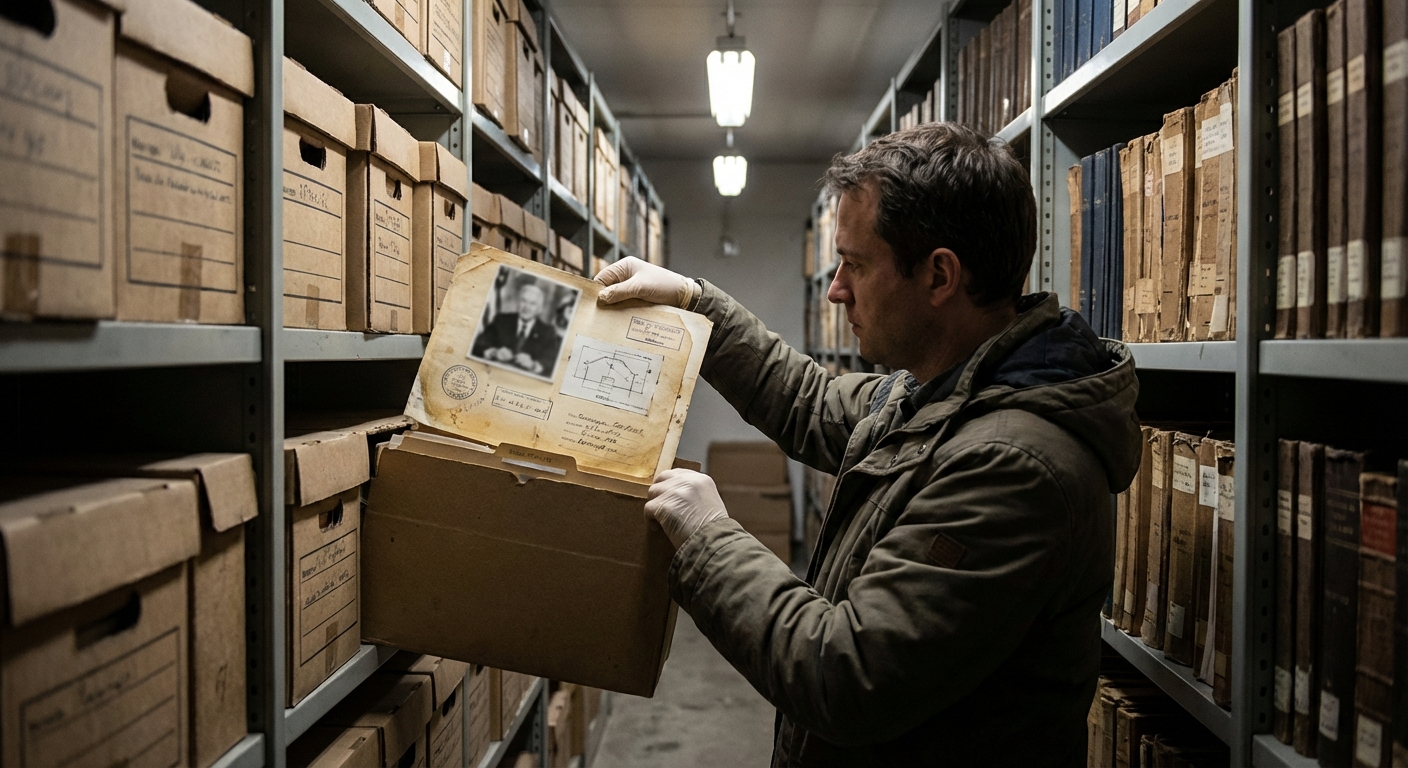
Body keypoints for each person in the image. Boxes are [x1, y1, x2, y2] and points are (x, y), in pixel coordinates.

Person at [595, 122, 1141, 767]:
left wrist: (710, 538)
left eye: (854, 264)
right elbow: (810, 402)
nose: (835, 289)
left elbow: (845, 675)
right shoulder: (936, 392)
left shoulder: (1011, 466)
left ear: (939, 276)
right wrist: (695, 305)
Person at [472, 280, 562, 377]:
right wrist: (494, 352)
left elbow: (551, 363)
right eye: (524, 301)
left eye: (532, 304)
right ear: (518, 303)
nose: (526, 307)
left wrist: (532, 365)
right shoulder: (501, 320)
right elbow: (477, 345)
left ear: (539, 309)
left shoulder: (548, 331)